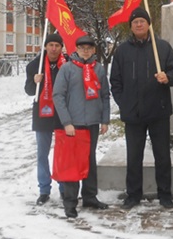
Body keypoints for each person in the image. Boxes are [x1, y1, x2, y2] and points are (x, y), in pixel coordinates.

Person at [110, 7, 173, 210]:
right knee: (134, 156)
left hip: (158, 111)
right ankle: (133, 195)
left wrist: (168, 77)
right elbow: (115, 81)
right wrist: (123, 103)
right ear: (131, 27)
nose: (139, 24)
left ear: (149, 24)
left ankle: (165, 195)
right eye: (135, 22)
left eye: (142, 21)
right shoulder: (122, 51)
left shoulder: (162, 47)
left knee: (162, 156)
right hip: (133, 114)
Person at [52, 35, 111, 218]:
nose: (85, 51)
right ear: (76, 49)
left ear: (94, 50)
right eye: (82, 47)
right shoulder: (67, 69)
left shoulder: (99, 69)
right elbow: (58, 96)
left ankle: (90, 196)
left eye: (89, 48)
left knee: (90, 160)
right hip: (74, 125)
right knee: (73, 163)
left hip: (92, 123)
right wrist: (67, 122)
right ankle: (70, 202)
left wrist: (105, 120)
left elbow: (105, 96)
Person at [24, 33, 68, 206]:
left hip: (63, 115)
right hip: (42, 114)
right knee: (42, 153)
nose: (54, 49)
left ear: (61, 47)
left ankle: (64, 188)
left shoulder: (68, 64)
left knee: (62, 153)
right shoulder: (35, 65)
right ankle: (44, 189)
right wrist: (35, 82)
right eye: (51, 45)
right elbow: (28, 90)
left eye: (57, 45)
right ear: (45, 46)